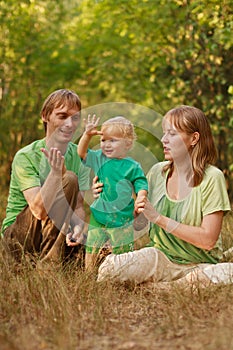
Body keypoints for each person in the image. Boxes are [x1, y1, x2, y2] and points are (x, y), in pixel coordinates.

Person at [94, 105, 232, 285]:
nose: (163, 139)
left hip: (201, 265)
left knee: (228, 271)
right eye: (164, 133)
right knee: (109, 270)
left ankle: (166, 287)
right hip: (160, 258)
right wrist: (109, 198)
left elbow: (208, 240)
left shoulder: (213, 177)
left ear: (194, 138)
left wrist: (159, 218)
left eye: (172, 134)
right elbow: (139, 226)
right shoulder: (157, 172)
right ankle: (178, 286)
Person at [1, 89, 90, 267]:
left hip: (55, 233)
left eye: (75, 118)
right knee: (69, 179)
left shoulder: (80, 157)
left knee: (97, 244)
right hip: (19, 238)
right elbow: (38, 211)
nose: (69, 124)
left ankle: (59, 260)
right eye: (62, 116)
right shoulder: (25, 156)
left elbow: (79, 206)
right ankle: (49, 268)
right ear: (45, 116)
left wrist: (79, 227)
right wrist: (56, 175)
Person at [77, 114, 148, 270]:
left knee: (122, 250)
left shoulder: (132, 166)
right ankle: (89, 274)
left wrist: (140, 197)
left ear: (128, 144)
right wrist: (87, 135)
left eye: (112, 140)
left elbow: (141, 183)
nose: (106, 145)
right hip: (99, 213)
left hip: (122, 216)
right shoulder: (99, 159)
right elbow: (81, 153)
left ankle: (122, 274)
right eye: (103, 140)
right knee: (92, 247)